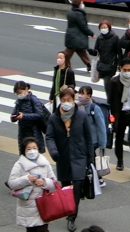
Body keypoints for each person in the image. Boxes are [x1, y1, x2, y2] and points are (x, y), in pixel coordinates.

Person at [46, 87, 95, 232]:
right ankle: (68, 209)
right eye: (63, 100)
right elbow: (49, 137)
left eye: (69, 100)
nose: (66, 103)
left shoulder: (81, 115)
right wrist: (53, 151)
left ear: (73, 100)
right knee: (66, 188)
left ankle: (72, 217)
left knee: (77, 185)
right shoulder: (54, 118)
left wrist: (90, 157)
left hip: (79, 155)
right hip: (63, 157)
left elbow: (88, 137)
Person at [8, 136, 58, 232]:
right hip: (28, 206)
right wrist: (27, 179)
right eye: (29, 149)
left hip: (44, 203)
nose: (32, 151)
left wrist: (44, 181)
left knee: (42, 229)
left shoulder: (45, 163)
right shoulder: (19, 164)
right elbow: (12, 183)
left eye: (34, 148)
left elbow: (54, 182)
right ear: (24, 151)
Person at [11, 80, 48, 154]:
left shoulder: (33, 100)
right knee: (24, 152)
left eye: (20, 93)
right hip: (23, 130)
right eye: (17, 94)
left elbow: (40, 114)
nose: (19, 95)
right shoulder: (19, 101)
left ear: (26, 89)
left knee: (35, 152)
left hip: (34, 130)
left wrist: (24, 116)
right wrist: (14, 117)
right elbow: (12, 117)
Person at [93, 19, 121, 104]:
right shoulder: (100, 38)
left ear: (109, 28)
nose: (103, 29)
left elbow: (119, 51)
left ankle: (110, 102)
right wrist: (91, 51)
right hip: (102, 64)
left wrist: (119, 63)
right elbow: (96, 50)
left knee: (107, 83)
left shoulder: (115, 37)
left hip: (111, 64)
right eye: (102, 27)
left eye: (105, 27)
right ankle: (111, 99)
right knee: (108, 84)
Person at [64, 0, 94, 73]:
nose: (83, 3)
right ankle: (68, 68)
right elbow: (83, 26)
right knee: (67, 54)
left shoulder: (70, 12)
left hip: (72, 36)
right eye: (82, 2)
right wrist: (91, 33)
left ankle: (88, 64)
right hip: (77, 37)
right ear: (79, 3)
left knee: (81, 51)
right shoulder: (79, 14)